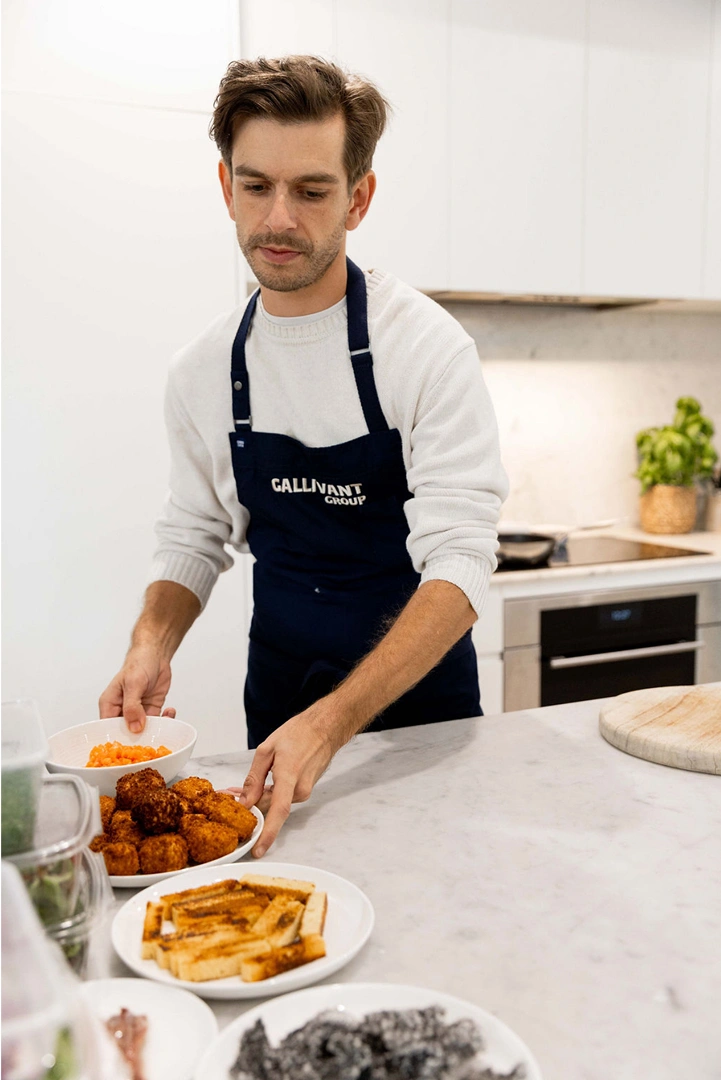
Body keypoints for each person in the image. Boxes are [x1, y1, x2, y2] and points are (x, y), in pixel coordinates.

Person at [99, 56, 508, 857]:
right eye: (256, 187)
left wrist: (333, 723)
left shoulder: (423, 348)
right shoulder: (203, 368)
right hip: (281, 691)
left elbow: (460, 562)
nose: (278, 218)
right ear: (225, 187)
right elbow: (194, 531)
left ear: (358, 197)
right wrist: (151, 641)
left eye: (311, 191)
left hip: (421, 708)